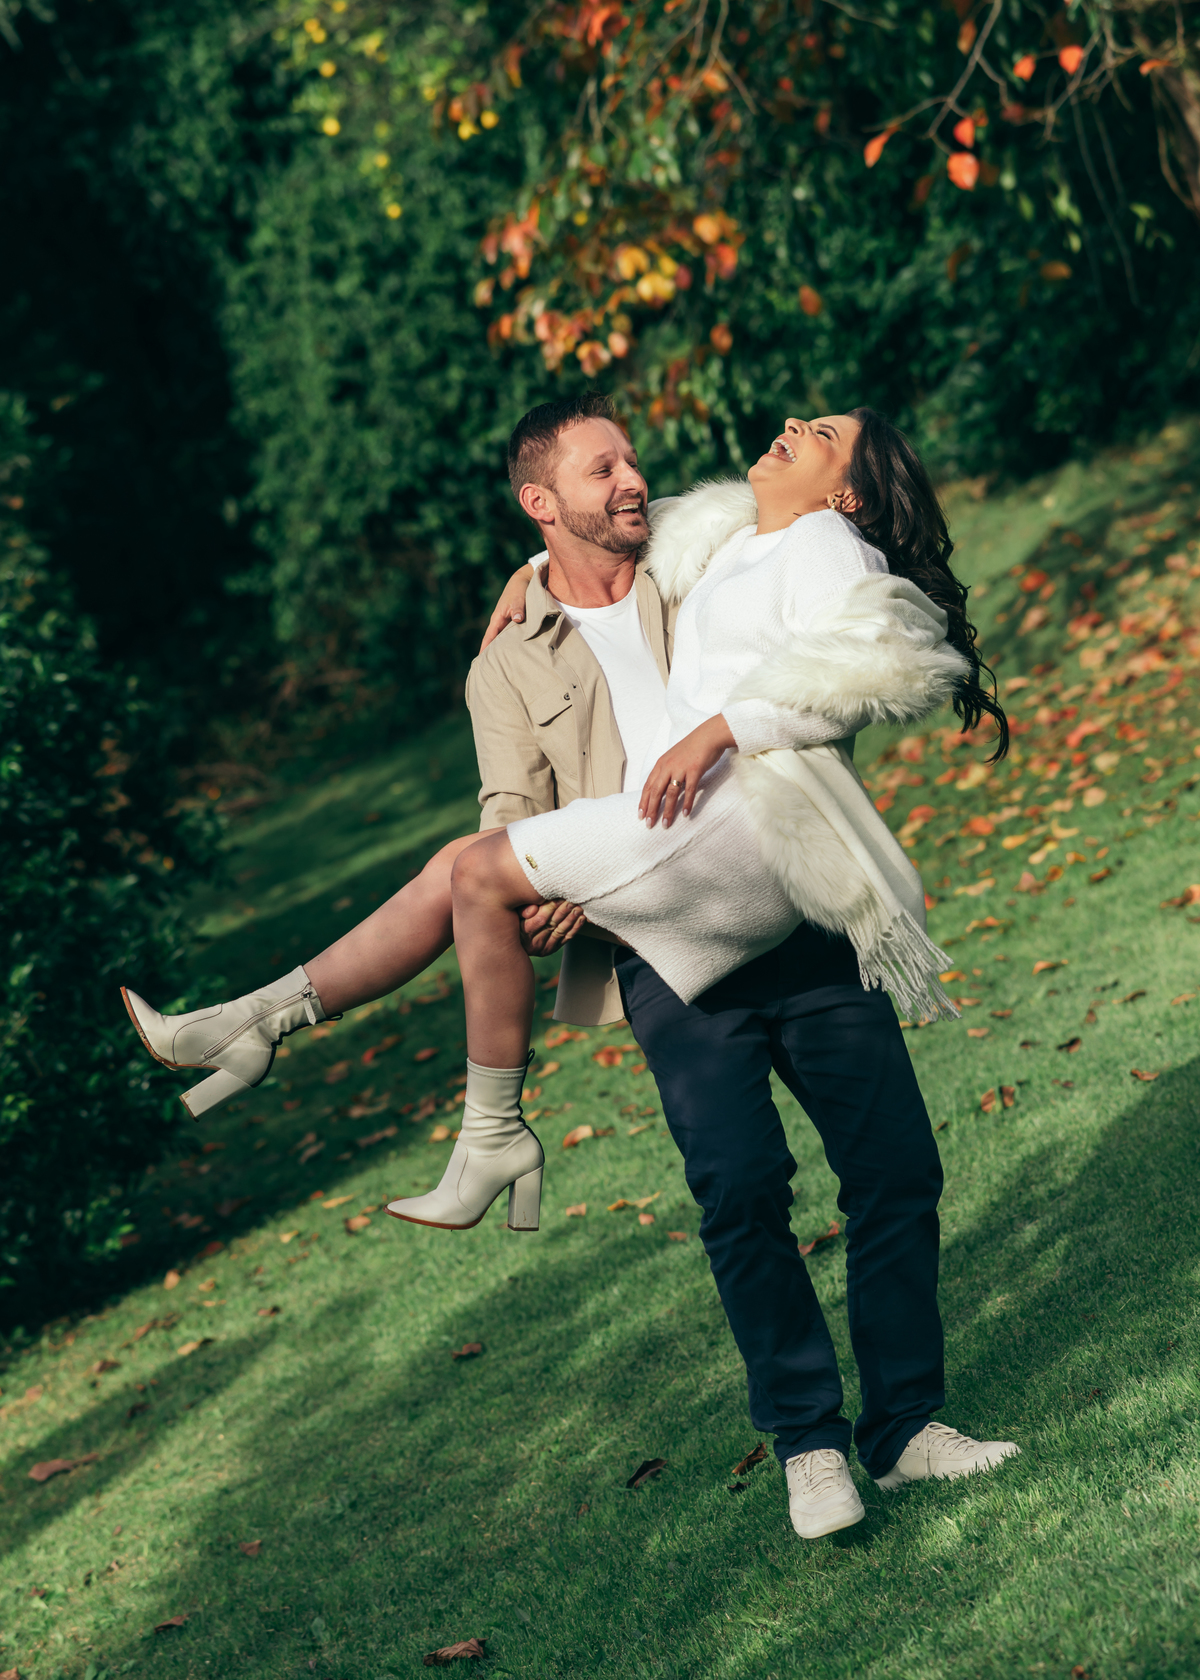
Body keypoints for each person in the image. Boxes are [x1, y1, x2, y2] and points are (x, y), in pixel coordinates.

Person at [122, 394, 1018, 1539]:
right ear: (543, 505)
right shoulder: (506, 667)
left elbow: (816, 578)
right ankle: (810, 1445)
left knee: (895, 1171)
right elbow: (511, 811)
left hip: (800, 912)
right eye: (604, 472)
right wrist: (539, 894)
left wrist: (674, 701)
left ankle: (905, 1429)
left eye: (634, 462)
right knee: (739, 1192)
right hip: (656, 940)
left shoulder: (695, 565)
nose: (633, 482)